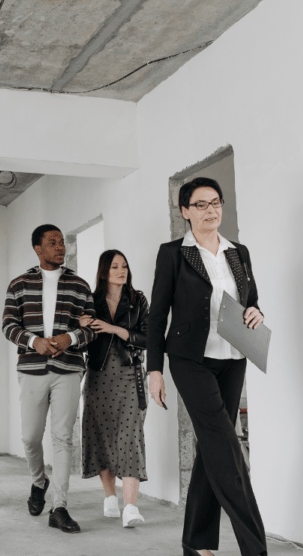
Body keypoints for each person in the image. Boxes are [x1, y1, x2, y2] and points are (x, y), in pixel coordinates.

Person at [146, 177, 268, 556]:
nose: (210, 210)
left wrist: (254, 311)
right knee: (228, 449)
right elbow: (157, 314)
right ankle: (255, 549)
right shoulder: (172, 253)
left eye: (215, 202)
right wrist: (154, 370)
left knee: (212, 450)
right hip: (189, 360)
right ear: (185, 211)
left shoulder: (238, 251)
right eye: (200, 204)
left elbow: (252, 298)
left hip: (233, 358)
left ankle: (196, 543)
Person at [2, 224, 96, 534]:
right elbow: (8, 325)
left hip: (68, 369)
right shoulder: (19, 284)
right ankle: (38, 481)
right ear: (38, 249)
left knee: (62, 438)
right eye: (52, 243)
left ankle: (60, 507)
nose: (60, 247)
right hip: (31, 368)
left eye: (61, 242)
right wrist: (33, 342)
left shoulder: (80, 285)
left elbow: (91, 327)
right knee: (30, 437)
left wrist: (70, 338)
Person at [78, 250, 150, 528]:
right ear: (104, 272)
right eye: (115, 267)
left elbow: (149, 338)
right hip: (97, 377)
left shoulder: (138, 300)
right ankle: (110, 497)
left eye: (125, 266)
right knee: (100, 435)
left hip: (130, 374)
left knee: (130, 436)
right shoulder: (91, 302)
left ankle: (130, 506)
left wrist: (115, 329)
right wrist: (82, 326)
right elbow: (80, 344)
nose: (122, 271)